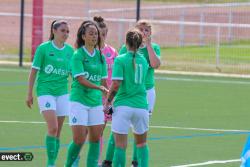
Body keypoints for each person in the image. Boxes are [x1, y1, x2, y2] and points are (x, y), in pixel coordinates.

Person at [102, 20, 161, 167]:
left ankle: (112, 162)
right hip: (141, 103)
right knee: (142, 143)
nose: (143, 32)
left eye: (146, 29)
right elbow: (151, 66)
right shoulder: (142, 60)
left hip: (124, 103)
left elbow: (116, 83)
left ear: (126, 42)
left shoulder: (122, 58)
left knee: (120, 144)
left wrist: (108, 101)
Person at [26, 20, 74, 167]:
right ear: (54, 31)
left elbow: (74, 74)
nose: (66, 34)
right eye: (63, 31)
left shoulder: (70, 51)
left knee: (58, 132)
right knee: (52, 128)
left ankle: (52, 161)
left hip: (62, 93)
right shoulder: (43, 48)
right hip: (45, 91)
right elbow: (34, 71)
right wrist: (29, 93)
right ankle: (51, 163)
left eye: (67, 31)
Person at [64, 20, 108, 167]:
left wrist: (109, 100)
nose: (94, 36)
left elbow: (103, 82)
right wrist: (99, 89)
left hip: (95, 102)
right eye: (91, 33)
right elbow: (81, 79)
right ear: (83, 36)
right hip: (79, 101)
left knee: (96, 138)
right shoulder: (78, 55)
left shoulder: (101, 56)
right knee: (79, 139)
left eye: (96, 34)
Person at [93, 16, 118, 166]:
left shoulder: (112, 52)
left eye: (104, 34)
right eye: (98, 33)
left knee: (117, 129)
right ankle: (94, 160)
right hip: (95, 97)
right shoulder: (87, 52)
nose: (101, 37)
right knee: (97, 132)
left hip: (111, 97)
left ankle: (107, 161)